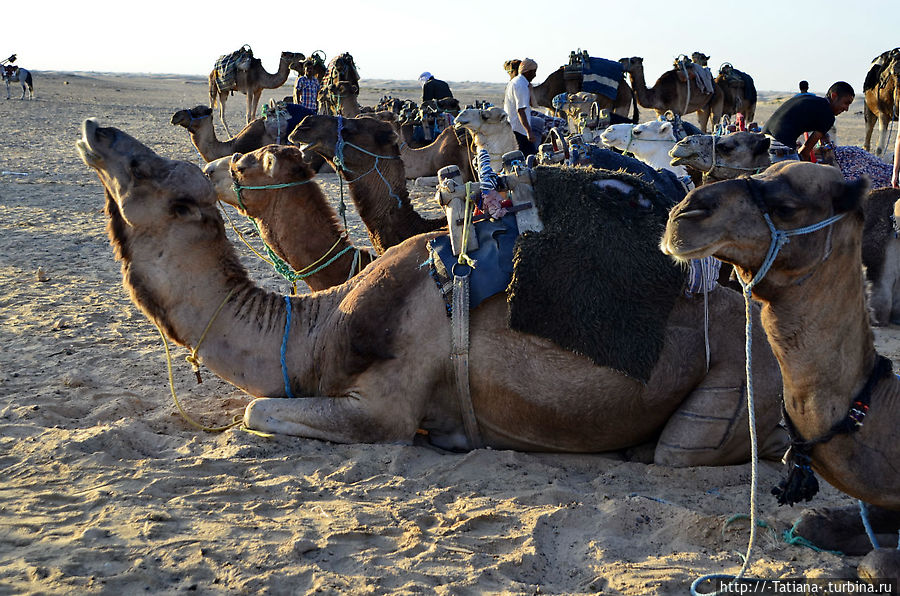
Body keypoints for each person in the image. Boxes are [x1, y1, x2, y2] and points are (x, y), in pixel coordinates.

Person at [762, 81, 854, 162]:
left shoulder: (808, 99)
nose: (846, 109)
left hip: (763, 141)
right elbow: (805, 151)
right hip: (779, 147)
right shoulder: (828, 115)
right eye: (846, 103)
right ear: (834, 96)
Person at [504, 58, 539, 156]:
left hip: (515, 127)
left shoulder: (516, 82)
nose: (535, 75)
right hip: (519, 130)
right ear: (528, 72)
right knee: (530, 157)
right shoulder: (521, 86)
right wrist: (529, 131)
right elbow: (521, 110)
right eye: (533, 72)